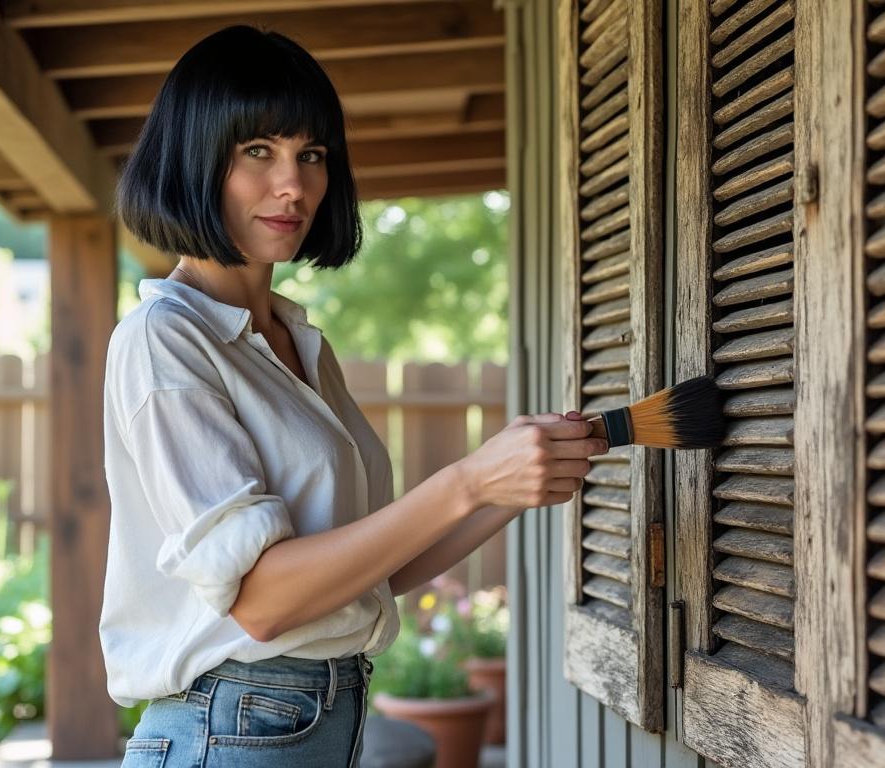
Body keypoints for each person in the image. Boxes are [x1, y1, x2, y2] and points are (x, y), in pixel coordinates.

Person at [99, 25, 603, 767]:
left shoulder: (298, 343)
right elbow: (265, 603)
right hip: (229, 726)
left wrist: (508, 489)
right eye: (258, 153)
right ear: (194, 160)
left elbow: (368, 570)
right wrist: (466, 480)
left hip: (316, 718)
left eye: (312, 155)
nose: (294, 186)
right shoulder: (163, 339)